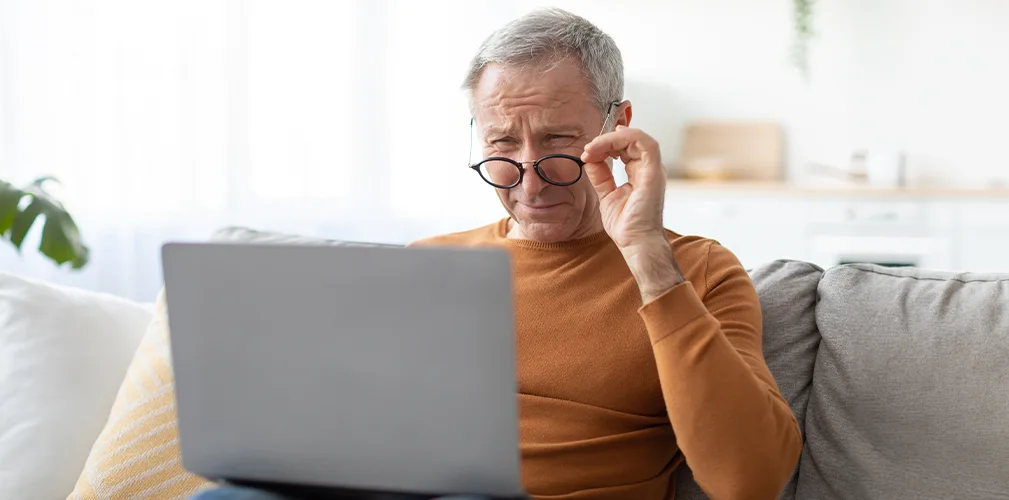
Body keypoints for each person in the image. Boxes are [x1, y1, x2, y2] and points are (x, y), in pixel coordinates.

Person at [194, 7, 801, 500]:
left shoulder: (694, 271)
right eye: (503, 144)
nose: (530, 182)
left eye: (561, 142)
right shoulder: (428, 262)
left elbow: (748, 482)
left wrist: (644, 253)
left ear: (620, 125)